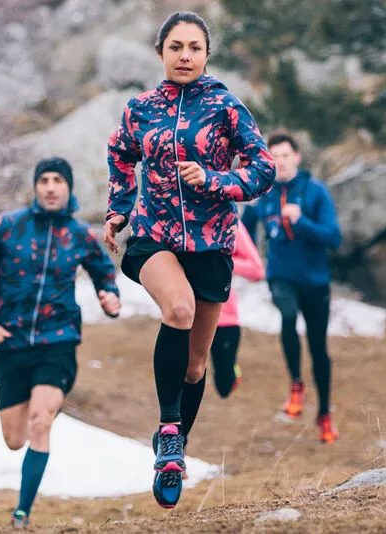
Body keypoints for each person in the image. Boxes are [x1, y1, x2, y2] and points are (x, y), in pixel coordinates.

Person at [104, 11, 275, 509]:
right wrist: (119, 209)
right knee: (178, 309)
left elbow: (262, 168)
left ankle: (171, 455)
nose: (185, 56)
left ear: (206, 54)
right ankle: (169, 430)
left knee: (196, 367)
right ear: (160, 52)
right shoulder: (139, 109)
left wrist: (215, 180)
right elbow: (121, 156)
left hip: (211, 244)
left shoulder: (226, 107)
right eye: (176, 46)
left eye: (194, 47)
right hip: (154, 237)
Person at [0, 157, 121, 527]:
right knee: (14, 439)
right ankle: (43, 406)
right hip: (11, 343)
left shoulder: (80, 234)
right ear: (36, 187)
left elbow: (104, 272)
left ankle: (22, 512)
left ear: (68, 187)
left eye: (58, 181)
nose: (51, 187)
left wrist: (109, 295)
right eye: (44, 180)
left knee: (40, 422)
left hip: (58, 342)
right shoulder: (7, 226)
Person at [241, 130, 342, 444]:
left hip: (315, 281)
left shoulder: (315, 191)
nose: (280, 162)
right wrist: (249, 260)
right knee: (286, 317)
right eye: (274, 157)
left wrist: (302, 222)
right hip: (280, 275)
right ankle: (296, 385)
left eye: (285, 155)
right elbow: (242, 233)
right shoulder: (264, 193)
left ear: (296, 157)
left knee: (318, 349)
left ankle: (324, 414)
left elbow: (334, 238)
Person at [211, 222, 264, 398]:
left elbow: (257, 270)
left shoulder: (229, 220)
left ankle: (232, 372)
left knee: (223, 386)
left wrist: (220, 260)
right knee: (187, 375)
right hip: (186, 313)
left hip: (223, 317)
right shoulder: (177, 214)